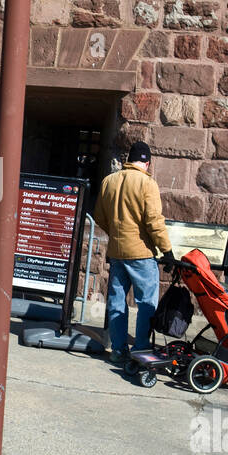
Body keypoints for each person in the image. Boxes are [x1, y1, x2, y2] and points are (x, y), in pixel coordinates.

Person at [93, 140, 175, 365]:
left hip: (117, 251)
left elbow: (99, 216)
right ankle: (140, 350)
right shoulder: (147, 184)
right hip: (141, 253)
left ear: (129, 160)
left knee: (117, 301)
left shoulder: (109, 181)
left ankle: (118, 350)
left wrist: (117, 233)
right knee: (146, 303)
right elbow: (154, 221)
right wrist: (167, 250)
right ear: (147, 162)